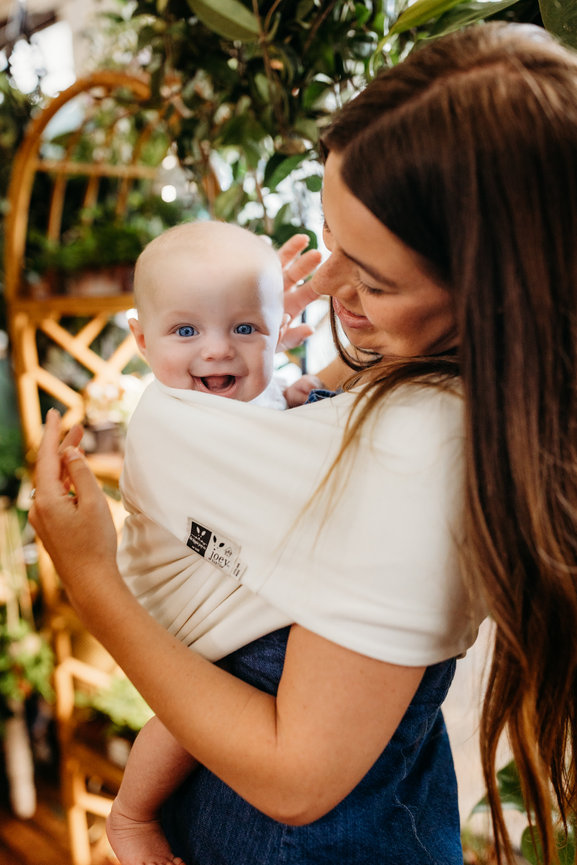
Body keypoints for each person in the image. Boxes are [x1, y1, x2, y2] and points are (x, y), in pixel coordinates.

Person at [29, 22, 577, 865]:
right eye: (332, 240)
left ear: (497, 290)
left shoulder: (423, 443)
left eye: (375, 277)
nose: (325, 287)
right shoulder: (429, 389)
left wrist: (91, 578)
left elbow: (294, 777)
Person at [112, 220, 323, 865]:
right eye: (185, 331)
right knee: (191, 710)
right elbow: (273, 476)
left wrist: (291, 403)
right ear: (142, 340)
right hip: (186, 605)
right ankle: (131, 816)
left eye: (244, 328)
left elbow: (260, 436)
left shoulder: (247, 395)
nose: (217, 353)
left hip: (234, 590)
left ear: (277, 332)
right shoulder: (169, 418)